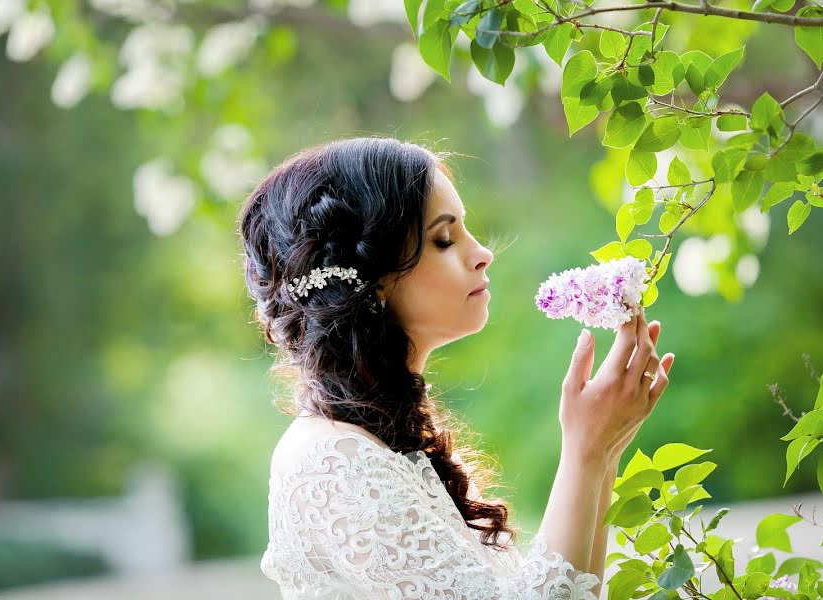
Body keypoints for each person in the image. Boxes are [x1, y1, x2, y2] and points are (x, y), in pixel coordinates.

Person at [237, 136, 675, 599]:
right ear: (371, 278)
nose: (482, 252)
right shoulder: (330, 462)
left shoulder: (394, 444)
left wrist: (605, 450)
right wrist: (585, 449)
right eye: (444, 239)